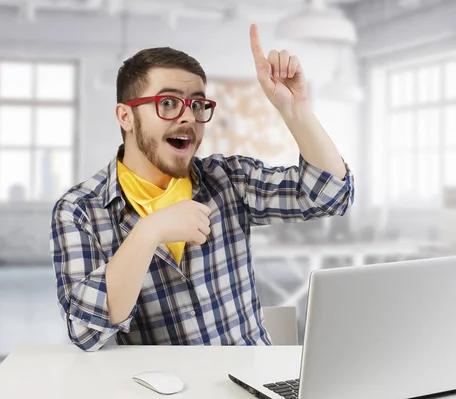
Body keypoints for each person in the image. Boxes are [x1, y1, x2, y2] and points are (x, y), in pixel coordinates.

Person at [50, 24, 354, 352]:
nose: (189, 118)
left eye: (197, 105)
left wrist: (295, 111)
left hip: (253, 381)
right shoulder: (80, 210)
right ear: (126, 116)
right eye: (168, 103)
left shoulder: (229, 179)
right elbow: (86, 333)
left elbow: (330, 196)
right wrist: (148, 232)